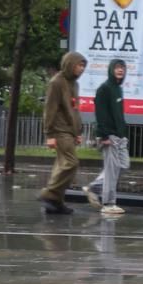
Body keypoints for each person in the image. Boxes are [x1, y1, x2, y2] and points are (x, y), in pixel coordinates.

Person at [39, 52, 87, 215]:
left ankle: (56, 202)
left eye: (83, 66)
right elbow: (49, 109)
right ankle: (50, 193)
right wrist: (49, 134)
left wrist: (77, 131)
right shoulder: (56, 82)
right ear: (70, 64)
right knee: (71, 163)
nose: (81, 69)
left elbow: (74, 109)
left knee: (62, 165)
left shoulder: (74, 84)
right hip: (59, 130)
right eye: (79, 65)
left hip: (69, 131)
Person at [85, 59, 131, 216]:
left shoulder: (118, 89)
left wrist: (123, 133)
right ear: (111, 69)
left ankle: (94, 187)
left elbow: (119, 114)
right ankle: (109, 203)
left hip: (120, 136)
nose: (120, 70)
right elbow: (101, 114)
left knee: (123, 165)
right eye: (117, 68)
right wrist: (103, 135)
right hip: (109, 135)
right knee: (111, 170)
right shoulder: (104, 89)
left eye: (123, 68)